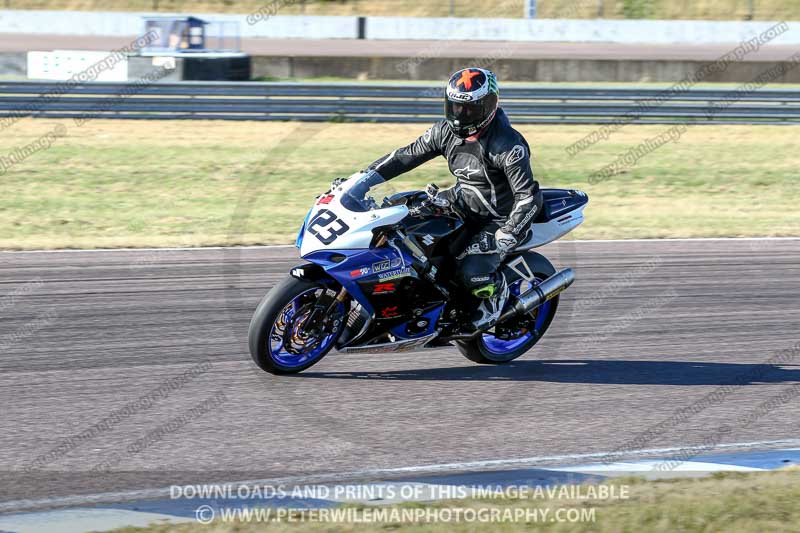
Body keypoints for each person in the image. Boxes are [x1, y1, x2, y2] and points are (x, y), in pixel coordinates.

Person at [366, 67, 543, 330]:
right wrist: (364, 179)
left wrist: (507, 232)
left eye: (469, 109)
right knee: (400, 218)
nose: (460, 115)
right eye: (456, 107)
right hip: (461, 202)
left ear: (489, 106)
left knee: (470, 273)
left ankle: (496, 297)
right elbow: (404, 157)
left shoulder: (507, 145)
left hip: (499, 218)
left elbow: (529, 196)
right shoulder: (445, 132)